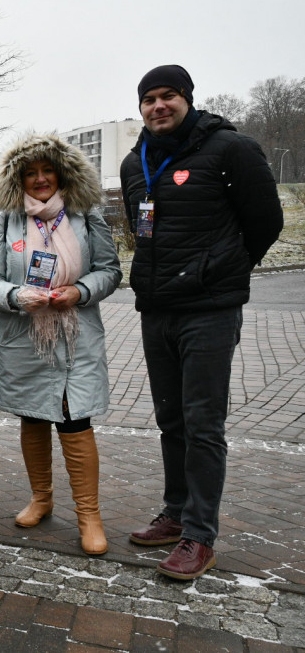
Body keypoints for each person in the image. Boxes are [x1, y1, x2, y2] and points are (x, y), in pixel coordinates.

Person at [121, 65, 283, 579]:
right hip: (156, 310)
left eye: (168, 96)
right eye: (149, 99)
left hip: (209, 311)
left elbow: (266, 221)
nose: (158, 106)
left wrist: (222, 269)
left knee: (203, 423)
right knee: (171, 419)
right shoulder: (134, 162)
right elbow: (140, 231)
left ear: (188, 99)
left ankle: (200, 535)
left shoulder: (230, 149)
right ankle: (175, 512)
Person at [0, 133, 121, 556]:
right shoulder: (6, 220)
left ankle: (88, 515)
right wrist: (16, 296)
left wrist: (79, 291)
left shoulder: (83, 215)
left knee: (74, 418)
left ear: (61, 174)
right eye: (30, 173)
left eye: (47, 171)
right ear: (18, 179)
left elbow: (109, 270)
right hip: (25, 335)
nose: (40, 179)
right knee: (34, 416)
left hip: (75, 331)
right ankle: (41, 498)